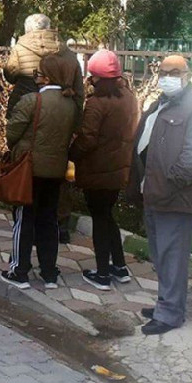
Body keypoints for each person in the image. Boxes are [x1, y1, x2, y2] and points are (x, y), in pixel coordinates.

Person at [127, 55, 192, 335]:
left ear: (187, 75)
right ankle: (166, 303)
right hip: (153, 192)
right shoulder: (161, 103)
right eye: (163, 71)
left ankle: (170, 313)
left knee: (173, 256)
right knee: (161, 255)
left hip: (174, 196)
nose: (167, 76)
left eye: (174, 72)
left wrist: (170, 182)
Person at [0, 55, 80, 289]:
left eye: (39, 73)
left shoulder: (32, 100)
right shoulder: (71, 104)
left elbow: (12, 132)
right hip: (56, 170)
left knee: (24, 219)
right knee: (49, 219)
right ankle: (49, 271)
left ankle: (19, 270)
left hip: (30, 168)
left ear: (47, 76)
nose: (37, 76)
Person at [69, 49, 139, 291]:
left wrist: (70, 154)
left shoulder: (96, 104)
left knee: (100, 219)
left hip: (97, 170)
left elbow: (87, 139)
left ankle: (102, 274)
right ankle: (119, 267)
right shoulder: (129, 98)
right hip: (119, 168)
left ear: (96, 78)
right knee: (107, 216)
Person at [4, 13, 83, 114]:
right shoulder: (67, 52)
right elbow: (78, 89)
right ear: (49, 27)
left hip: (23, 106)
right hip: (60, 111)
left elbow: (10, 75)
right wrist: (78, 118)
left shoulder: (19, 49)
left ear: (27, 30)